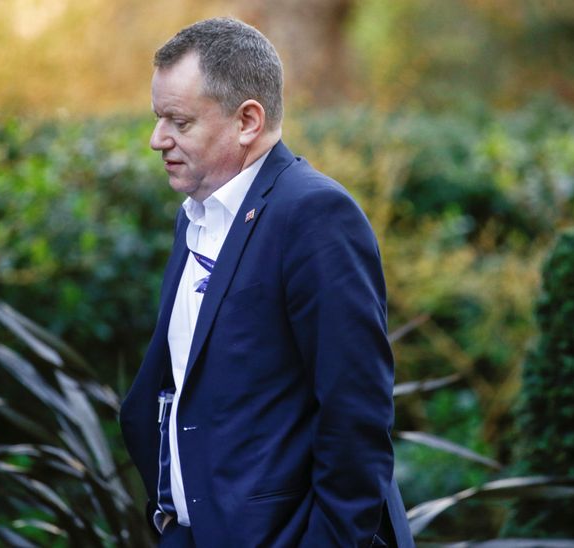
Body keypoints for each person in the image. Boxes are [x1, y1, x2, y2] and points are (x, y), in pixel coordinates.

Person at [119, 17, 414, 548]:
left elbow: (356, 417)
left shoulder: (315, 215)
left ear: (248, 121)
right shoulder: (194, 216)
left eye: (178, 121)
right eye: (157, 119)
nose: (156, 139)